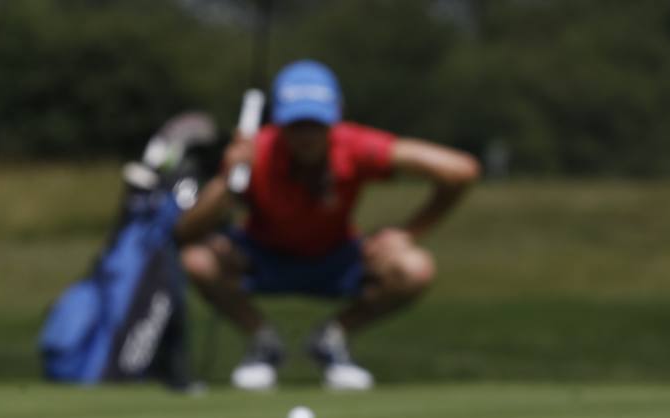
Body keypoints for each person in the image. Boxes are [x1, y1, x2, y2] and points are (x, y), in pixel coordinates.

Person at [176, 60, 479, 391]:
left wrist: (408, 232)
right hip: (262, 256)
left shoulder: (354, 145)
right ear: (278, 121)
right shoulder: (255, 150)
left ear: (335, 117)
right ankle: (264, 345)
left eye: (316, 124)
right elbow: (184, 233)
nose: (307, 136)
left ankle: (331, 339)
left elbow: (460, 170)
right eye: (297, 125)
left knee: (414, 267)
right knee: (197, 259)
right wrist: (227, 179)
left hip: (336, 259)